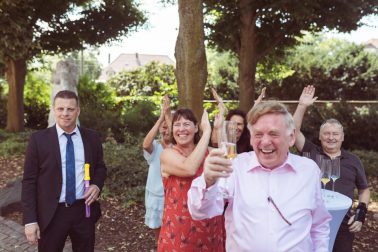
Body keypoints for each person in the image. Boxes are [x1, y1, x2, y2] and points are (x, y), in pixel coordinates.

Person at [188, 101, 331, 251]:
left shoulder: (309, 171)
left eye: (273, 134)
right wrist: (208, 181)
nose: (265, 142)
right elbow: (199, 211)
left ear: (291, 137)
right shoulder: (235, 167)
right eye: (258, 134)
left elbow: (319, 225)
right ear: (250, 138)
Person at [22, 90, 106, 252]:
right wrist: (30, 221)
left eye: (70, 109)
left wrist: (96, 185)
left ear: (78, 111)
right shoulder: (38, 140)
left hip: (84, 212)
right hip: (52, 213)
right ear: (54, 110)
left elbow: (100, 167)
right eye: (60, 109)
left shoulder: (92, 138)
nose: (65, 114)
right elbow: (29, 181)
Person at [293, 85, 370, 252]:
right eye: (327, 133)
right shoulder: (310, 151)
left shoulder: (353, 160)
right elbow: (292, 131)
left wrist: (360, 215)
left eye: (335, 134)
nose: (331, 137)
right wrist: (302, 106)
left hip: (342, 223)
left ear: (342, 137)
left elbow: (364, 190)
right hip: (309, 221)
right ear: (320, 137)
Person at [157, 108, 224, 251]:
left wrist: (219, 130)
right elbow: (189, 168)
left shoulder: (210, 153)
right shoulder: (167, 155)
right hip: (179, 234)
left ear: (195, 127)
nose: (181, 129)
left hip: (211, 230)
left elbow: (231, 164)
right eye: (177, 124)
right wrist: (207, 132)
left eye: (186, 124)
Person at [142, 95, 171, 243]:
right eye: (163, 127)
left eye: (168, 127)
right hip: (156, 196)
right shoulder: (155, 146)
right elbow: (145, 145)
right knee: (159, 238)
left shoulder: (179, 148)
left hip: (173, 197)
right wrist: (161, 118)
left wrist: (168, 115)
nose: (166, 130)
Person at [211, 87, 266, 153]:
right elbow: (215, 142)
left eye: (239, 124)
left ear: (244, 126)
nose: (235, 127)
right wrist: (217, 126)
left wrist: (256, 105)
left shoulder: (249, 139)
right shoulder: (223, 137)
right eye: (232, 123)